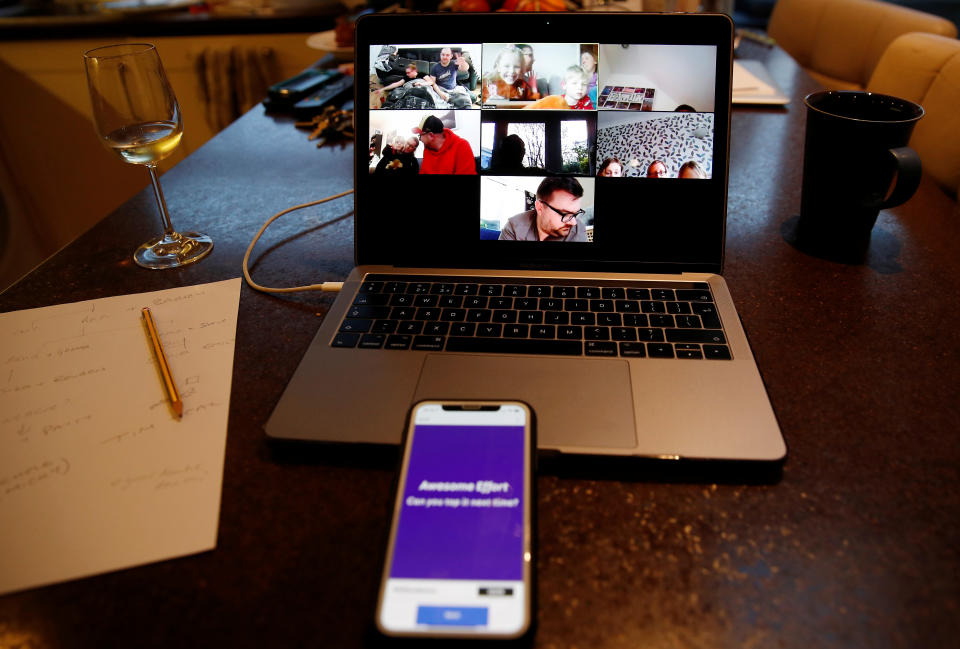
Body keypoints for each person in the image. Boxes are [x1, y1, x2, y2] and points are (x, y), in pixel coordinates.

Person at [499, 176, 587, 242]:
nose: (573, 222)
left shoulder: (579, 230)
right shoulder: (514, 226)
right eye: (565, 213)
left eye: (575, 213)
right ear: (540, 207)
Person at [525, 66, 594, 110]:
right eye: (574, 83)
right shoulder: (558, 101)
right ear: (564, 85)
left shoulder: (587, 100)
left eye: (584, 84)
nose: (580, 87)